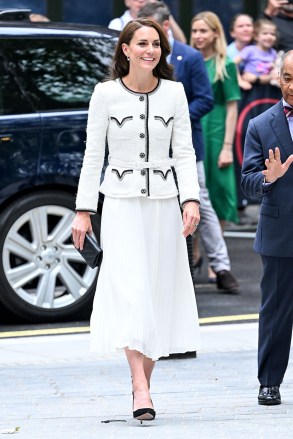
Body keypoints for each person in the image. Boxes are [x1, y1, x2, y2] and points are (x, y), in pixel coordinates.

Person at [72, 18, 201, 421]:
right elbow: (94, 156)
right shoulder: (105, 94)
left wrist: (191, 200)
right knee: (131, 292)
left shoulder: (175, 93)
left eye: (156, 44)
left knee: (158, 295)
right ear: (125, 49)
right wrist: (83, 210)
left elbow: (183, 151)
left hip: (165, 204)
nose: (150, 50)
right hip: (121, 204)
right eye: (142, 43)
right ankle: (141, 388)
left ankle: (140, 381)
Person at [138, 1, 239, 293]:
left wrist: (171, 120)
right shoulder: (143, 55)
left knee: (200, 203)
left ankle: (221, 267)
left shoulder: (189, 56)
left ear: (166, 25)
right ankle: (168, 271)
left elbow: (205, 100)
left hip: (186, 145)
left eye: (152, 29)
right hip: (149, 147)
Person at [241, 50, 293, 405]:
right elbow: (246, 180)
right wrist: (267, 177)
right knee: (275, 312)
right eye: (288, 77)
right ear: (278, 78)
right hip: (280, 232)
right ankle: (269, 382)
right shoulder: (260, 124)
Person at [190, 11, 241, 229]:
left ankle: (214, 257)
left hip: (217, 132)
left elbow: (232, 107)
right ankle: (197, 252)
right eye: (194, 31)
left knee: (217, 191)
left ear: (215, 33)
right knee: (195, 192)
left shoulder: (225, 64)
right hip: (194, 128)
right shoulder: (190, 60)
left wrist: (228, 147)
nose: (198, 35)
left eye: (203, 30)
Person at [109, 0, 187, 43]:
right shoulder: (117, 24)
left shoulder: (159, 20)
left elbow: (181, 42)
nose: (140, 1)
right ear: (126, 2)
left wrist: (164, 12)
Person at [234, 19, 278, 88]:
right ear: (256, 36)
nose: (269, 37)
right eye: (265, 33)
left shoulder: (273, 52)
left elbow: (275, 71)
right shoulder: (250, 50)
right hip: (250, 89)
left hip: (267, 90)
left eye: (272, 34)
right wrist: (239, 81)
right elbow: (233, 63)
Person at [227, 13, 254, 90]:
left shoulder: (261, 49)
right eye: (240, 26)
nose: (246, 29)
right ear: (232, 33)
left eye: (248, 25)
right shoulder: (227, 53)